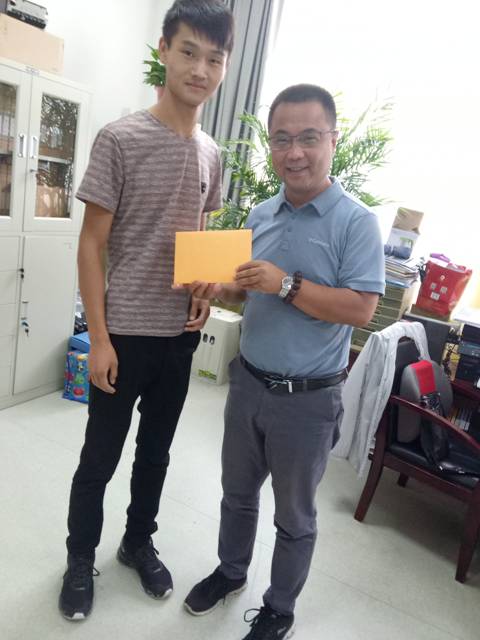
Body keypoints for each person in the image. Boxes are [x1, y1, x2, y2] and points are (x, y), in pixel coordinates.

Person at [183, 84, 386, 639]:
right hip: (248, 384)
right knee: (236, 495)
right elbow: (247, 289)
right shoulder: (261, 213)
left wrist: (287, 284)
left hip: (308, 400)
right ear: (270, 145)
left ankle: (280, 608)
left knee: (294, 517)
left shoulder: (357, 223)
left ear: (332, 141)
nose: (294, 152)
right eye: (281, 139)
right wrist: (216, 288)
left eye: (308, 138)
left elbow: (361, 310)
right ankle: (230, 572)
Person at [58, 0, 234, 621]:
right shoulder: (121, 138)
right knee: (99, 458)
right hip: (123, 335)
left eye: (215, 58)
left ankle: (137, 542)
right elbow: (91, 244)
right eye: (188, 52)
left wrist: (205, 288)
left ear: (225, 66)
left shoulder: (211, 153)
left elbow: (200, 238)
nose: (201, 69)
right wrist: (99, 338)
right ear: (164, 50)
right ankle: (80, 558)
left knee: (156, 454)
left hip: (178, 337)